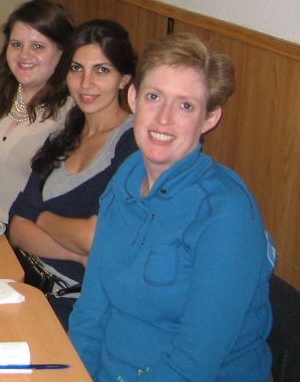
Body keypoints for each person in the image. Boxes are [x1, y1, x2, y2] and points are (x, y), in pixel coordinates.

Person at [69, 34, 274, 380]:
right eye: (154, 97)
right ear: (133, 97)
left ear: (209, 118)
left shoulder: (225, 213)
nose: (163, 119)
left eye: (185, 106)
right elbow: (91, 313)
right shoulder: (125, 180)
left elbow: (193, 366)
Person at [8, 20, 138, 329]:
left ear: (124, 80)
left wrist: (41, 218)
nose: (86, 83)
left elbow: (95, 238)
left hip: (78, 306)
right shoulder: (63, 137)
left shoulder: (132, 144)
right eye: (77, 69)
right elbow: (16, 225)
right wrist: (76, 254)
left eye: (102, 70)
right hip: (26, 280)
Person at [0, 0, 73, 219]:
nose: (24, 55)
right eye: (16, 44)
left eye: (38, 46)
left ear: (63, 53)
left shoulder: (70, 112)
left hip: (24, 236)